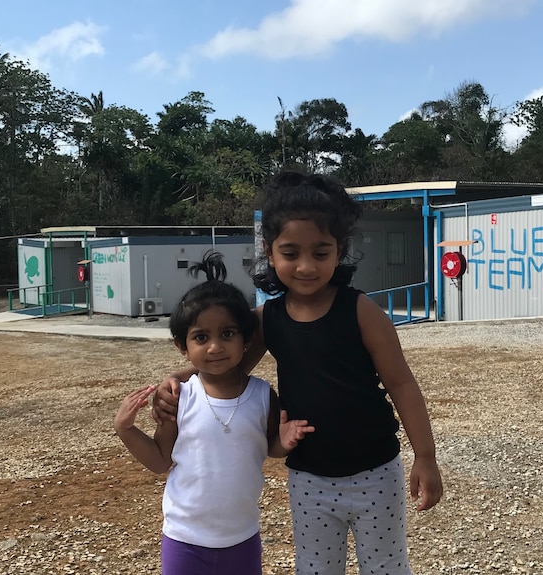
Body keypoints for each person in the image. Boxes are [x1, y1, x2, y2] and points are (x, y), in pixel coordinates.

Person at [153, 171, 444, 575]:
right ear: (269, 253)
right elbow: (223, 362)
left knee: (386, 567)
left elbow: (402, 384)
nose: (306, 266)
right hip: (309, 478)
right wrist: (176, 379)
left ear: (339, 251)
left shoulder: (361, 312)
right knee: (315, 568)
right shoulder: (269, 320)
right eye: (291, 253)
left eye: (320, 253)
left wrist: (425, 457)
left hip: (376, 471)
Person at [114, 250, 314, 575]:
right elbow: (159, 460)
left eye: (227, 334)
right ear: (183, 346)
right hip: (184, 540)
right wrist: (126, 430)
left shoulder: (263, 395)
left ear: (247, 339)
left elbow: (269, 448)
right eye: (201, 337)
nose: (215, 347)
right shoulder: (180, 397)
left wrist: (286, 442)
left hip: (243, 538)